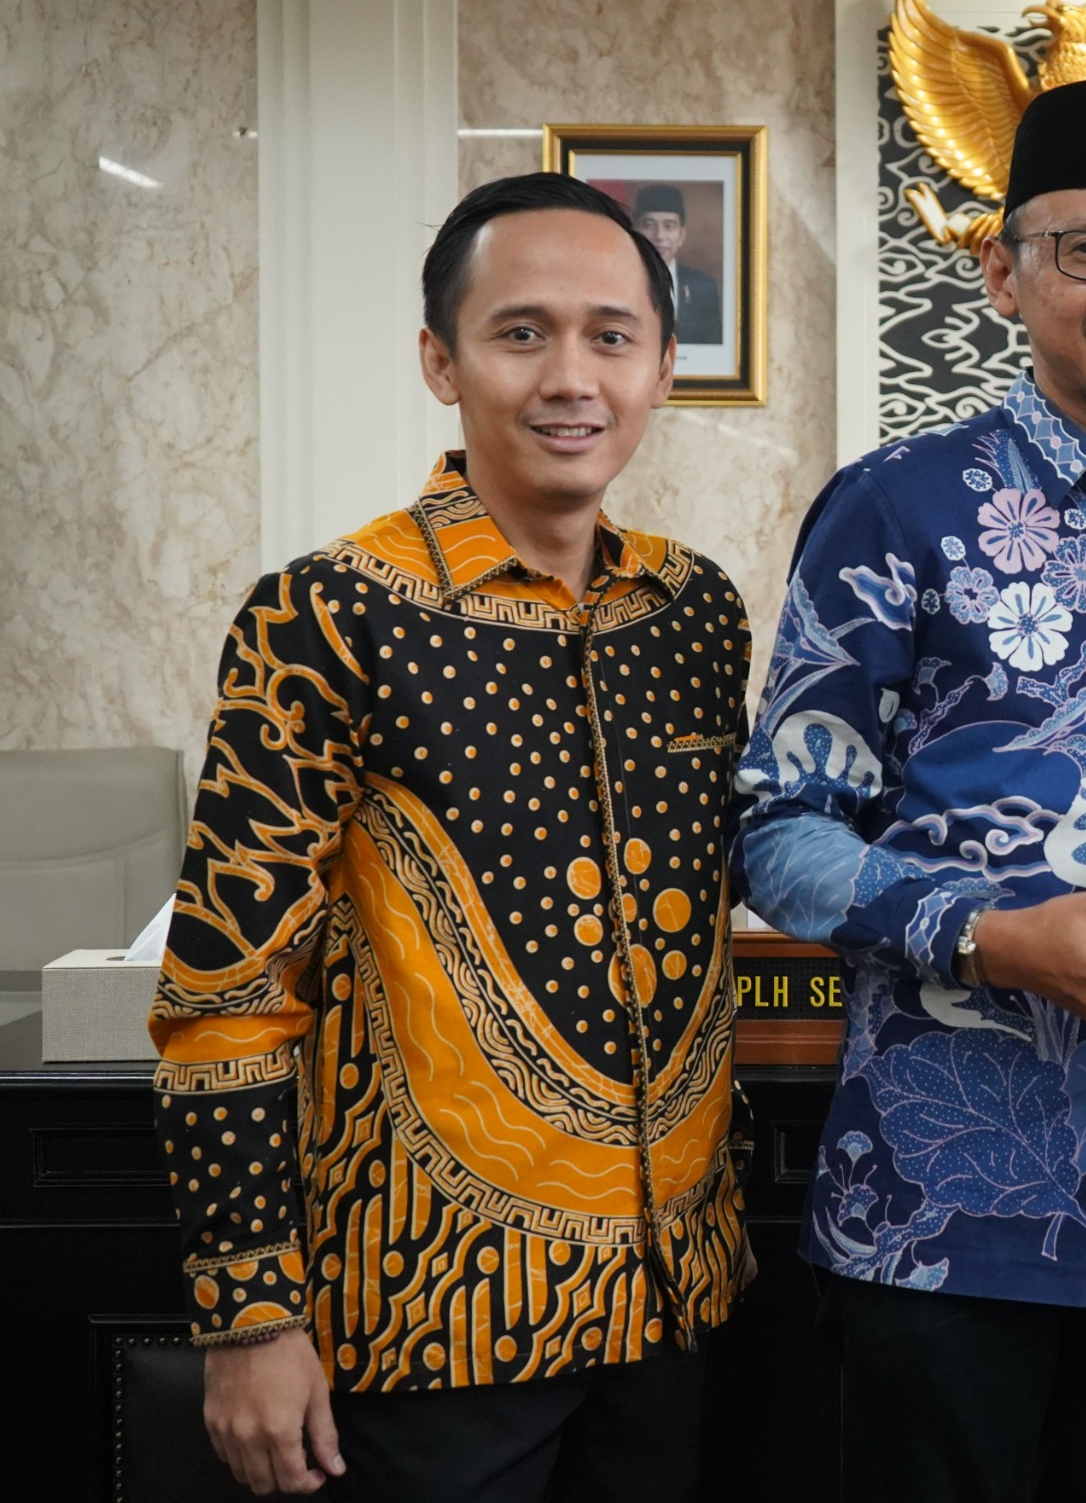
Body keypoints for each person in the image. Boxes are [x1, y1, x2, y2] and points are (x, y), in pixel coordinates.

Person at [737, 73, 1086, 1503]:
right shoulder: (894, 503)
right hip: (944, 1213)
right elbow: (781, 830)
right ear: (1003, 271)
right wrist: (993, 937)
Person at [150, 171, 753, 1501]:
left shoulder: (695, 612)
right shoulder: (326, 612)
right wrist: (248, 1314)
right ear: (442, 360)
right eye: (520, 332)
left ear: (662, 368)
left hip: (674, 1296)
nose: (570, 376)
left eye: (611, 335)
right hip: (432, 1317)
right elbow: (227, 990)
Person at [632, 183, 723, 348]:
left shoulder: (702, 286)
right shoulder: (618, 282)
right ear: (635, 232)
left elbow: (714, 345)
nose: (659, 236)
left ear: (681, 236)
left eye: (669, 226)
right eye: (649, 225)